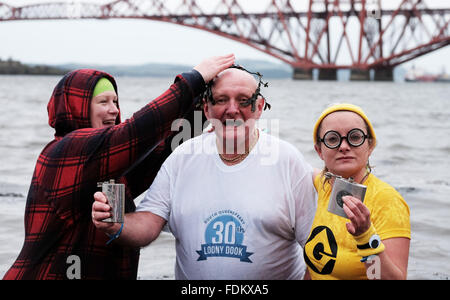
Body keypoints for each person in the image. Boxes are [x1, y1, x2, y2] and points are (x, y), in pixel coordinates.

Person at [3, 54, 235, 280]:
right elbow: (137, 132)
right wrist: (193, 79)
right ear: (75, 106)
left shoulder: (110, 168)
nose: (113, 110)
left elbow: (163, 150)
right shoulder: (64, 151)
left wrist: (207, 110)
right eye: (103, 102)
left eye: (115, 101)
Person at [92, 66, 317, 280]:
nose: (232, 109)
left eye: (243, 100)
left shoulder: (288, 160)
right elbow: (149, 224)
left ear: (259, 107)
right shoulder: (182, 158)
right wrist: (115, 223)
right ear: (206, 109)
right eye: (221, 100)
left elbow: (317, 250)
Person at [303, 103, 411, 280]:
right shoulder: (323, 185)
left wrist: (365, 236)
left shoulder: (387, 200)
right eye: (332, 139)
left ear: (370, 146)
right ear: (319, 151)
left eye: (354, 137)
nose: (344, 146)